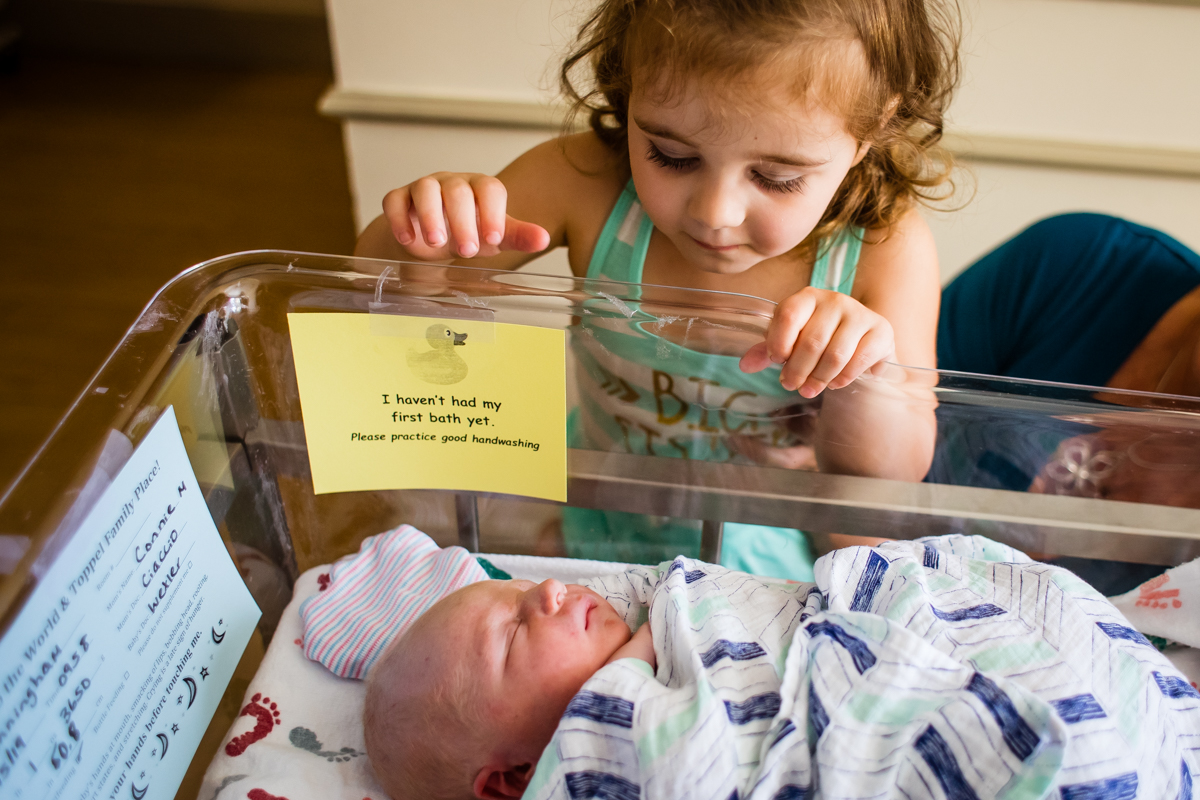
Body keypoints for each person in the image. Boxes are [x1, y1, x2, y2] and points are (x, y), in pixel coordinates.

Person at [354, 0, 960, 578]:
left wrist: (860, 369)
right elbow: (384, 289)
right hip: (586, 518)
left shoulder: (885, 247)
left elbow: (893, 477)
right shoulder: (584, 181)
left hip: (758, 561)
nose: (716, 213)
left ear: (873, 126)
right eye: (670, 156)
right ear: (629, 83)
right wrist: (424, 231)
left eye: (776, 178)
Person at [362, 538, 1199, 800]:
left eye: (517, 592)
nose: (546, 589)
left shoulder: (663, 610)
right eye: (511, 633)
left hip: (908, 643)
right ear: (507, 780)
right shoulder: (596, 757)